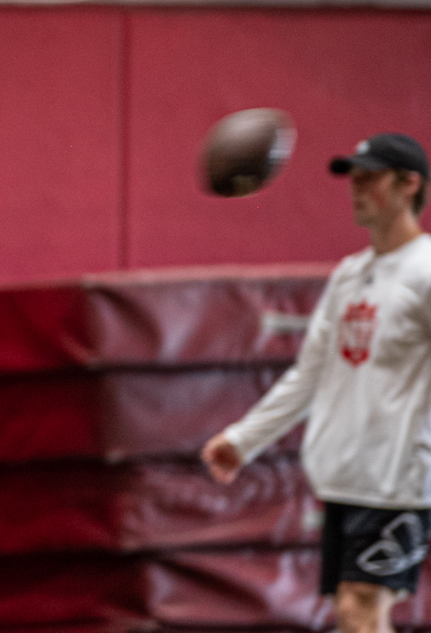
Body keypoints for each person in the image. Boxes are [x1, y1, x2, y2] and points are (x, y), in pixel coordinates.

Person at [202, 133, 431, 633]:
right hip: (346, 476)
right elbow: (310, 373)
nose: (356, 189)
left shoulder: (427, 272)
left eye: (370, 178)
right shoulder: (350, 275)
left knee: (360, 607)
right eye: (354, 179)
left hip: (400, 479)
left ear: (409, 184)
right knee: (357, 612)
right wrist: (244, 439)